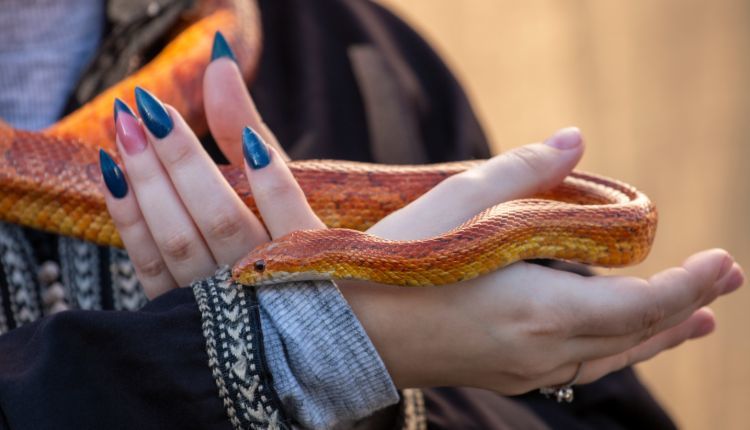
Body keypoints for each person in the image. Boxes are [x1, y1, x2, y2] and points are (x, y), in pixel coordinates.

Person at [0, 0, 743, 429]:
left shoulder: (365, 59)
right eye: (266, 272)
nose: (261, 279)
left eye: (271, 271)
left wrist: (386, 409)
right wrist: (310, 355)